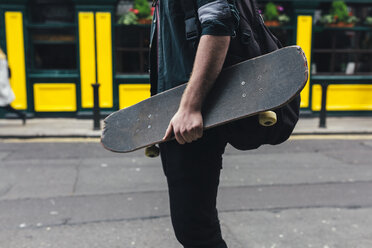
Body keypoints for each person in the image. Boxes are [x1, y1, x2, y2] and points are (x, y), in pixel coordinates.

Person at [149, 1, 239, 247]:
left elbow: (218, 21)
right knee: (193, 225)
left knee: (196, 230)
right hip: (177, 111)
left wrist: (190, 106)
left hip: (192, 115)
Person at [0, 47, 26, 125]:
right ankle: (21, 114)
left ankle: (21, 114)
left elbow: (2, 75)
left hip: (1, 84)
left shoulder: (1, 60)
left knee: (5, 105)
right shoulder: (3, 59)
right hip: (2, 83)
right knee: (5, 105)